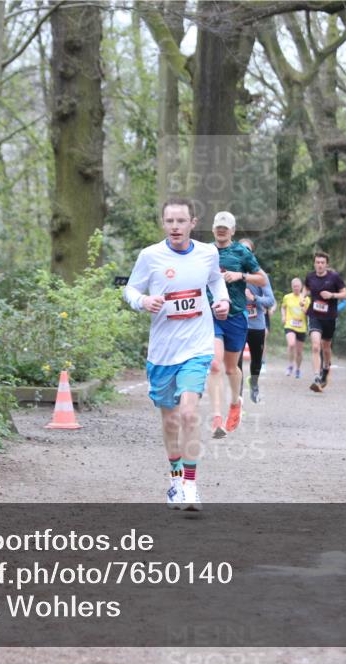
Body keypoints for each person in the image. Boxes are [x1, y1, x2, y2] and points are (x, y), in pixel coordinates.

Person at [123, 197, 230, 511]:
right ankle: (174, 478)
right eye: (169, 221)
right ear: (163, 223)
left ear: (193, 223)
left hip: (196, 347)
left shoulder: (208, 253)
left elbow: (215, 282)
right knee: (170, 422)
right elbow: (130, 289)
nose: (174, 227)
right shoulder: (150, 256)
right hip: (162, 352)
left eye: (181, 221)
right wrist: (142, 301)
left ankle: (191, 485)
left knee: (188, 414)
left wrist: (222, 302)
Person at [207, 212, 267, 438]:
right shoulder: (204, 252)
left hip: (235, 316)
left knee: (231, 368)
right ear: (213, 229)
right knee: (214, 364)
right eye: (218, 227)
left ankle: (235, 404)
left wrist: (240, 276)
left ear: (232, 231)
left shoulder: (242, 252)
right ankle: (216, 418)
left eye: (226, 227)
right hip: (211, 315)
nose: (221, 230)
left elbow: (262, 279)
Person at [237, 238, 275, 403]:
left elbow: (270, 300)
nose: (244, 253)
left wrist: (254, 298)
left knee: (256, 361)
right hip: (237, 323)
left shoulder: (260, 275)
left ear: (252, 253)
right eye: (241, 249)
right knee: (236, 362)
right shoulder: (232, 273)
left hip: (256, 324)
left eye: (248, 250)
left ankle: (254, 384)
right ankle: (237, 396)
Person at [304, 251, 346, 392]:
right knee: (316, 346)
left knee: (326, 347)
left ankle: (325, 369)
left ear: (326, 264)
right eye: (317, 262)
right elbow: (306, 288)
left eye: (322, 263)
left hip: (329, 317)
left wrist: (332, 295)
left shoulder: (334, 277)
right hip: (314, 315)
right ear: (314, 263)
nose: (320, 265)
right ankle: (316, 377)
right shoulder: (310, 277)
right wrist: (303, 297)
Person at [281, 277, 311, 378]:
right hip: (290, 324)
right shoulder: (287, 297)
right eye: (294, 287)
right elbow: (283, 307)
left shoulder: (306, 299)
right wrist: (283, 316)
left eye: (298, 286)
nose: (296, 288)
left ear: (301, 287)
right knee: (291, 344)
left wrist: (304, 309)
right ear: (291, 287)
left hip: (301, 327)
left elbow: (309, 314)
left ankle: (298, 369)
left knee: (299, 352)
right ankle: (290, 365)